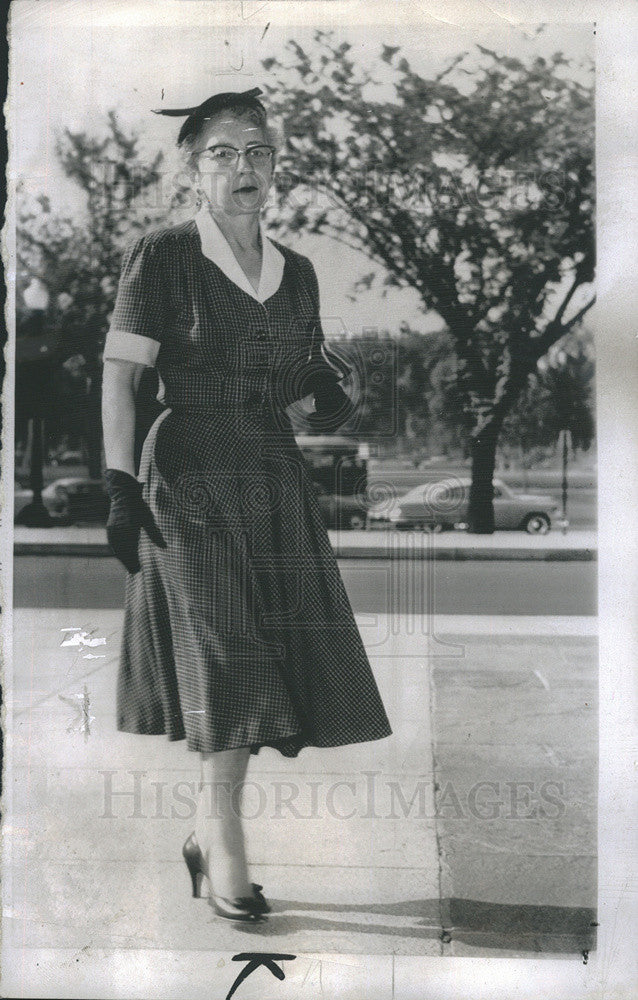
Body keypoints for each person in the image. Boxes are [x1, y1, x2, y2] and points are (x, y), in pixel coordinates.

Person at [101, 88, 392, 923]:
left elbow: (304, 396)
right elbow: (122, 376)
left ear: (275, 168)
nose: (245, 167)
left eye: (258, 152)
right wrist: (121, 484)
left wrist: (335, 399)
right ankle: (223, 836)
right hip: (187, 465)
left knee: (264, 645)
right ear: (193, 171)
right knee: (226, 647)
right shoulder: (161, 256)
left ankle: (206, 827)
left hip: (270, 470)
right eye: (223, 153)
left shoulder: (296, 271)